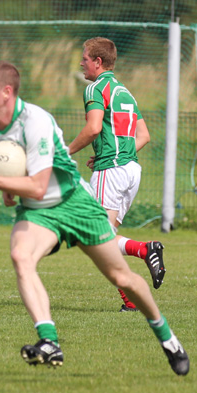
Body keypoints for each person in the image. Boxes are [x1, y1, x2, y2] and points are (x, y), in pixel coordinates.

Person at [0, 60, 189, 375]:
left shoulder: (36, 121)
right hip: (39, 212)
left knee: (122, 278)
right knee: (21, 255)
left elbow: (38, 184)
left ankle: (167, 338)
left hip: (75, 203)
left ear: (6, 92)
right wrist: (8, 189)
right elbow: (22, 174)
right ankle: (49, 341)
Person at [68, 37, 165, 312]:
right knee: (104, 237)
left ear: (98, 62)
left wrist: (65, 151)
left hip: (110, 172)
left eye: (85, 58)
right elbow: (143, 135)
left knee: (97, 239)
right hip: (131, 170)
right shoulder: (125, 91)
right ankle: (131, 299)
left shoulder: (95, 88)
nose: (81, 62)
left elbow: (93, 128)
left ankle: (144, 251)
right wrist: (114, 152)